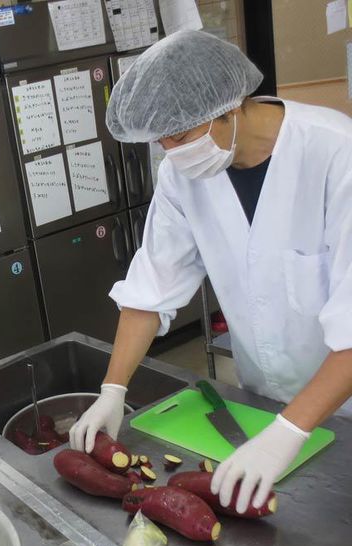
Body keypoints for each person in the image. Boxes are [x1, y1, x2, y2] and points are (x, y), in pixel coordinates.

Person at [69, 31, 352, 515]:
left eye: (180, 136)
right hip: (260, 401)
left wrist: (288, 432)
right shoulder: (183, 175)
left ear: (229, 107)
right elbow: (152, 286)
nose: (171, 151)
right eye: (161, 140)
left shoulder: (337, 155)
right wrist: (113, 389)